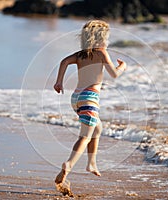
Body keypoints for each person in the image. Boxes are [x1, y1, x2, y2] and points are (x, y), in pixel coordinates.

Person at [53, 20, 127, 186]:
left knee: (97, 128)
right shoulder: (101, 53)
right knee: (85, 136)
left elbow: (64, 61)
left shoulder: (80, 54)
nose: (107, 42)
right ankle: (69, 164)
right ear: (101, 39)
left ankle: (91, 163)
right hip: (90, 98)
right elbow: (114, 74)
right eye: (106, 38)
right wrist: (123, 66)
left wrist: (59, 82)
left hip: (77, 98)